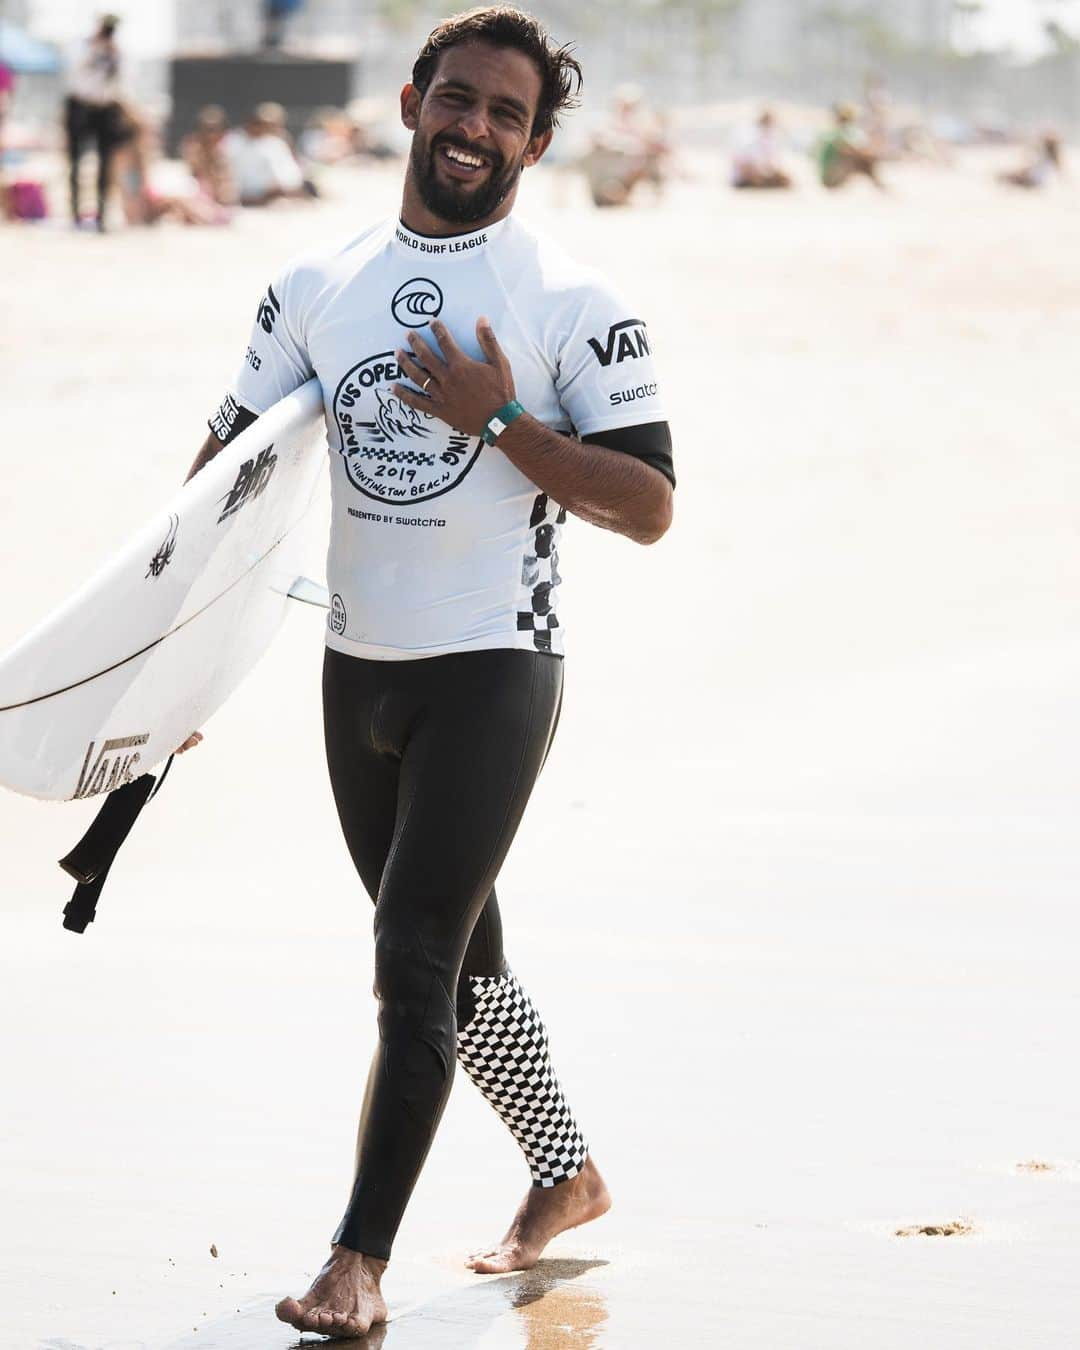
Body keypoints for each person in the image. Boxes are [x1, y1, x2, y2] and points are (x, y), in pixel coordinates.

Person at [182, 7, 673, 1338]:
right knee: (459, 963)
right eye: (457, 99)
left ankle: (357, 1259)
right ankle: (566, 1174)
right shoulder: (312, 286)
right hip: (358, 670)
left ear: (539, 140)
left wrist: (503, 421)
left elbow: (647, 503)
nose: (474, 129)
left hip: (493, 668)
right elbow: (219, 487)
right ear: (411, 101)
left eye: (505, 115)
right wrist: (166, 681)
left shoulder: (572, 303)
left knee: (410, 959)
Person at [63, 13, 123, 230]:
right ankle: (74, 215)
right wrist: (95, 49)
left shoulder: (118, 52)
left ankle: (102, 215)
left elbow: (122, 81)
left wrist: (112, 54)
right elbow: (74, 73)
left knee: (105, 164)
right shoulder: (81, 46)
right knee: (75, 163)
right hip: (80, 106)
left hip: (105, 108)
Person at [222, 102, 308, 206]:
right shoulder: (233, 141)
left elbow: (289, 172)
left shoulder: (275, 143)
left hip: (272, 191)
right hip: (240, 191)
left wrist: (281, 185)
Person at [817, 102, 885, 191]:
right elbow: (848, 149)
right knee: (859, 160)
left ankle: (878, 185)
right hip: (829, 177)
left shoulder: (838, 132)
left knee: (862, 159)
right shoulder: (837, 134)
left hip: (829, 175)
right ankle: (879, 186)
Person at [180, 105, 238, 207]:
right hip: (198, 193)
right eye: (206, 129)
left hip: (217, 197)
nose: (209, 134)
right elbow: (193, 174)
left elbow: (225, 185)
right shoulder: (193, 148)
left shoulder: (227, 148)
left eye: (214, 129)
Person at [731, 108, 792, 190]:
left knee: (784, 179)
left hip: (757, 172)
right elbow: (741, 161)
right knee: (762, 177)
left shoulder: (771, 137)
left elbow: (772, 163)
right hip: (746, 172)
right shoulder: (750, 135)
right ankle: (759, 182)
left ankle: (761, 181)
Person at [998, 132, 1063, 189]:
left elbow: (1032, 169)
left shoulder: (1043, 157)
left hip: (1034, 181)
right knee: (1010, 176)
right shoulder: (1052, 158)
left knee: (1006, 177)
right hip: (1040, 181)